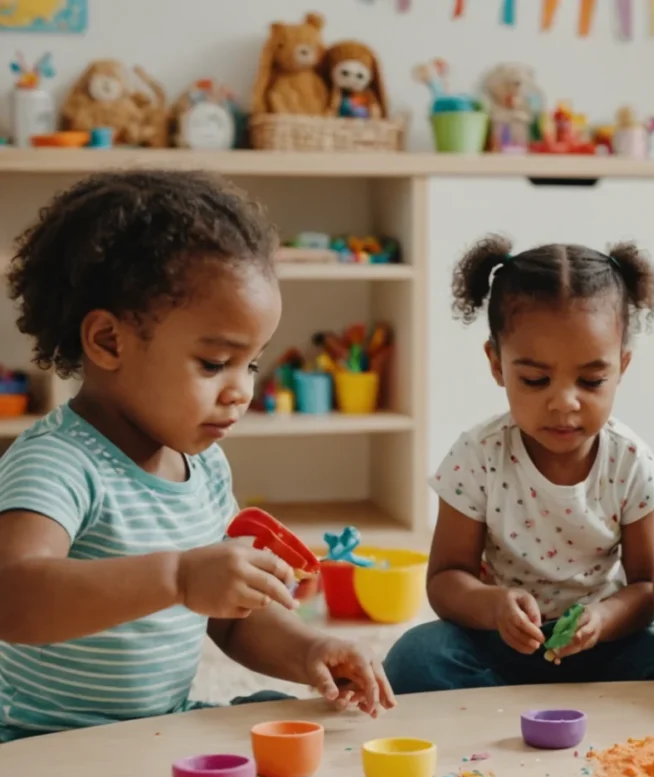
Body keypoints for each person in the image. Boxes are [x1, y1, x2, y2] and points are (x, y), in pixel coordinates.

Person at [0, 170, 393, 741]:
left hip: (159, 727)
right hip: (44, 742)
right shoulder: (58, 462)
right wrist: (178, 576)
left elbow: (226, 619)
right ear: (109, 342)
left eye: (251, 364)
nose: (241, 390)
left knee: (285, 724)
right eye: (214, 364)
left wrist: (310, 648)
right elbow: (13, 595)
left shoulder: (203, 465)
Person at [383, 237, 654, 692]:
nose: (564, 403)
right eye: (535, 380)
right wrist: (494, 606)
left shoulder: (630, 462)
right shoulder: (478, 455)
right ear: (496, 364)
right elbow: (446, 580)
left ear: (622, 367)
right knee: (416, 658)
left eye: (591, 381)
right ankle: (501, 707)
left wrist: (603, 619)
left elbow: (650, 586)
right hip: (503, 644)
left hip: (603, 647)